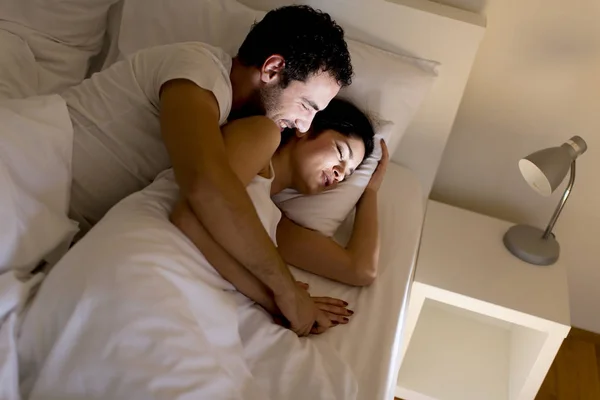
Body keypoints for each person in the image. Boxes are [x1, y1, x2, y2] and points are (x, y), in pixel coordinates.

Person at [61, 5, 353, 336]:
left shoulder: (234, 121)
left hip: (59, 214)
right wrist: (283, 291)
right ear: (273, 69)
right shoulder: (196, 71)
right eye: (306, 106)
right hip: (28, 167)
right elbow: (205, 189)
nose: (303, 126)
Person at [171, 98, 389, 332]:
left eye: (346, 176)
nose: (339, 174)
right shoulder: (263, 133)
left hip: (189, 296)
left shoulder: (276, 223)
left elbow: (360, 270)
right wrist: (282, 298)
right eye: (339, 153)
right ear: (306, 129)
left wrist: (369, 192)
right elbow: (190, 218)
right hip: (163, 255)